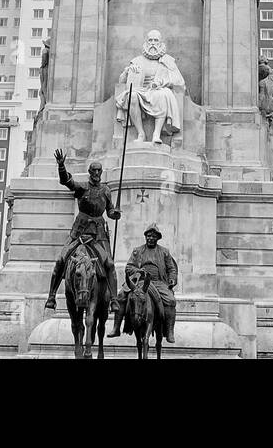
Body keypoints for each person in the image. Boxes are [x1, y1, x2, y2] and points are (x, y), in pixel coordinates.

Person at [44, 148, 121, 312]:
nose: (97, 173)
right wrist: (61, 166)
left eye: (99, 170)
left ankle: (114, 299)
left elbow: (110, 211)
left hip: (99, 233)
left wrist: (115, 214)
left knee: (109, 264)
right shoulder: (82, 187)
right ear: (89, 171)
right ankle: (51, 296)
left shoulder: (106, 190)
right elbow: (67, 181)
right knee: (60, 260)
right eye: (94, 170)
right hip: (80, 232)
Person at [110, 224, 178, 343]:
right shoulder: (137, 251)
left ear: (157, 238)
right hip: (139, 281)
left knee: (171, 300)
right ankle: (116, 328)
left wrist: (172, 279)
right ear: (145, 237)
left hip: (158, 282)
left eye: (153, 236)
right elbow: (129, 267)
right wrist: (137, 271)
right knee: (121, 296)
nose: (150, 238)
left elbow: (171, 269)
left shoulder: (164, 252)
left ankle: (169, 331)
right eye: (148, 236)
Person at [116, 30, 186, 145]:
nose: (153, 43)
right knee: (131, 96)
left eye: (156, 40)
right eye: (150, 40)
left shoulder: (167, 60)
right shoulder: (137, 60)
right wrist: (127, 72)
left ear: (160, 43)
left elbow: (179, 82)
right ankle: (141, 133)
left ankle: (156, 134)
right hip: (140, 90)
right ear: (146, 42)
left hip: (157, 90)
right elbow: (121, 82)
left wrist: (162, 82)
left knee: (164, 94)